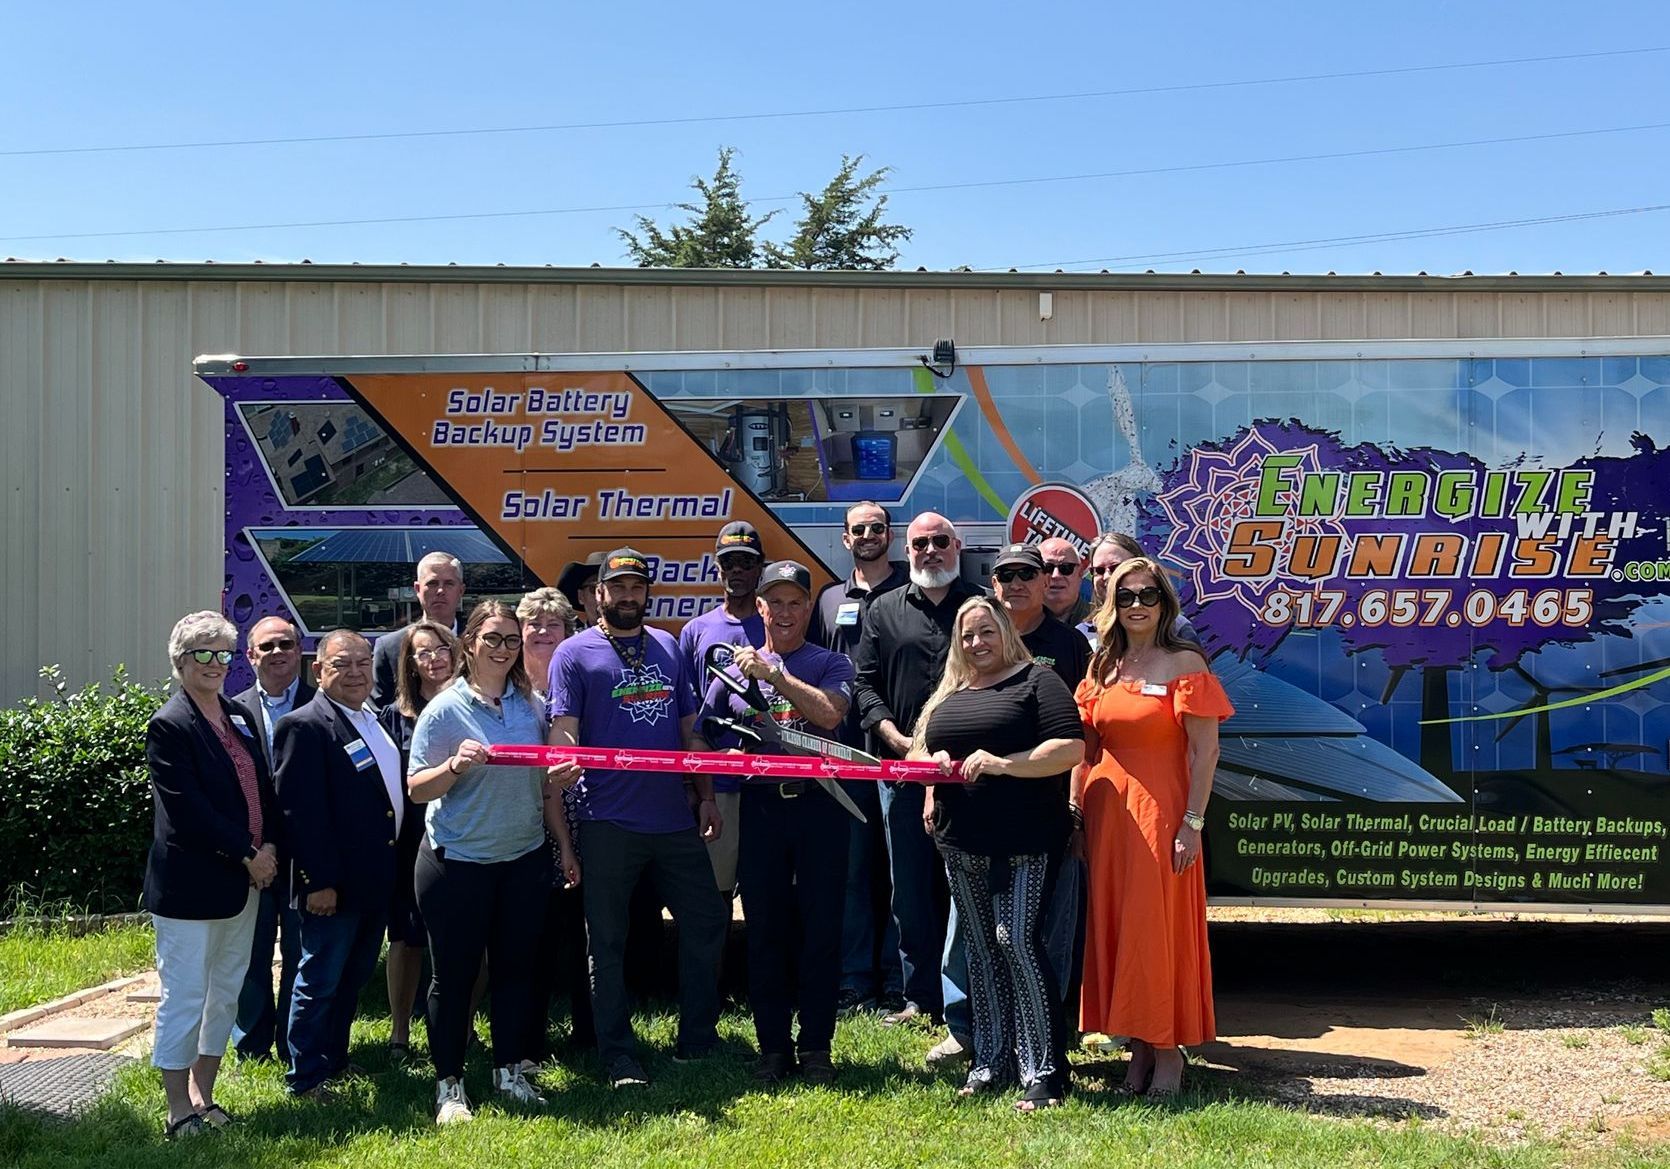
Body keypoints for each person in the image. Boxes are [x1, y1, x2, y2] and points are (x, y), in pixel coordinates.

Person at [546, 547, 728, 1089]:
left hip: (672, 817)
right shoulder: (573, 653)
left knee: (707, 919)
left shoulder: (668, 646)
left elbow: (689, 728)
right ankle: (617, 1055)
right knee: (607, 939)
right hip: (607, 819)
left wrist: (706, 795)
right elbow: (564, 725)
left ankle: (697, 1039)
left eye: (637, 587)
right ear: (598, 594)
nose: (628, 596)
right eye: (618, 587)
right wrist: (563, 758)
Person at [409, 601, 578, 1123]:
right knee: (454, 979)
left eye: (510, 640)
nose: (503, 649)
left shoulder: (532, 706)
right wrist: (453, 766)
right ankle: (450, 1086)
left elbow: (542, 780)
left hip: (522, 859)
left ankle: (509, 1073)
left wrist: (560, 776)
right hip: (457, 862)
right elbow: (417, 789)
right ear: (470, 643)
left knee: (515, 973)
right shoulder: (445, 709)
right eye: (492, 639)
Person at [913, 597, 1082, 1111]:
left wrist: (1003, 763)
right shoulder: (951, 689)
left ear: (1005, 631)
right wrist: (934, 761)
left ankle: (1044, 1070)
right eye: (967, 635)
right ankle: (990, 1061)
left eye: (986, 631)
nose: (976, 642)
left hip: (1025, 841)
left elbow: (1070, 748)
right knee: (981, 949)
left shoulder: (1037, 681)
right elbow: (918, 750)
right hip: (961, 842)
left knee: (1017, 943)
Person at [1074, 557, 1232, 1097]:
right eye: (1126, 596)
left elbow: (1206, 752)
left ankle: (1168, 1053)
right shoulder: (1102, 665)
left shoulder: (1185, 661)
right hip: (1106, 814)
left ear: (1165, 602)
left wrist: (1193, 822)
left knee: (1154, 931)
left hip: (1161, 812)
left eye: (1148, 595)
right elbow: (1084, 749)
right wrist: (1076, 813)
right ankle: (1138, 1050)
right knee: (1119, 930)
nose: (1137, 605)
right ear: (1111, 605)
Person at [699, 560, 854, 1085]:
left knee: (820, 929)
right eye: (775, 603)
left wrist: (775, 677)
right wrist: (712, 775)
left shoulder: (831, 662)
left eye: (795, 603)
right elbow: (700, 733)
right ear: (760, 608)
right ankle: (772, 1048)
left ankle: (816, 1047)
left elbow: (830, 714)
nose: (785, 613)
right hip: (761, 808)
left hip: (821, 807)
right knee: (765, 929)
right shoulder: (734, 666)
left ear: (808, 609)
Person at [144, 612, 276, 1139]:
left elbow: (262, 788)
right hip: (191, 887)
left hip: (243, 883)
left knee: (224, 992)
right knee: (186, 996)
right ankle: (178, 1110)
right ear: (180, 661)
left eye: (223, 652)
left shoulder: (237, 714)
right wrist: (248, 853)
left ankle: (204, 1094)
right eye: (203, 652)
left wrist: (269, 846)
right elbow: (188, 810)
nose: (215, 663)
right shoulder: (169, 725)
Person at [852, 512, 982, 1034]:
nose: (931, 550)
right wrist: (900, 744)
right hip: (901, 774)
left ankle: (967, 998)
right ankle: (918, 996)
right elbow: (864, 687)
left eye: (940, 541)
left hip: (967, 775)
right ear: (906, 551)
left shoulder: (980, 608)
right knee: (908, 888)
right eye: (920, 542)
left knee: (965, 889)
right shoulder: (883, 610)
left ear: (958, 545)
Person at [274, 630, 402, 1100]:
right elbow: (299, 813)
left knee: (352, 977)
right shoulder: (304, 725)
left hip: (372, 881)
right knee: (319, 980)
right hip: (333, 885)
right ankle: (305, 1077)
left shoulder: (371, 718)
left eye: (362, 663)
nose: (354, 673)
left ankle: (335, 1060)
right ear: (318, 670)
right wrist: (318, 882)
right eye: (341, 664)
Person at [808, 501, 907, 1017]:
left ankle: (897, 979)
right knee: (849, 875)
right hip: (841, 758)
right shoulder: (828, 599)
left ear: (890, 535)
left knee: (897, 874)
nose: (868, 535)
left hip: (894, 755)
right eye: (858, 529)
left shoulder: (911, 591)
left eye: (876, 527)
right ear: (845, 539)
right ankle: (853, 980)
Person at [227, 616, 312, 1064]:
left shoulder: (323, 705)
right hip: (253, 855)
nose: (278, 652)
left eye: (286, 644)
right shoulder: (229, 711)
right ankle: (251, 1046)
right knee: (250, 954)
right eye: (267, 646)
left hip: (306, 855)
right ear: (250, 655)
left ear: (300, 651)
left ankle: (295, 1045)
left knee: (302, 954)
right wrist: (250, 848)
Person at [376, 619, 458, 1063]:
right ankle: (400, 1034)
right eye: (423, 652)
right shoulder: (393, 717)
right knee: (406, 938)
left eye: (441, 648)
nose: (434, 658)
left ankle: (460, 1027)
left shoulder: (472, 706)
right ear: (409, 663)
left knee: (466, 939)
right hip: (410, 841)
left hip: (466, 837)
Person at [518, 587, 594, 1055]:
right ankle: (530, 1038)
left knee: (584, 933)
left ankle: (588, 1032)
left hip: (583, 820)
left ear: (569, 631)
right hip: (526, 826)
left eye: (554, 624)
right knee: (533, 936)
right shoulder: (510, 690)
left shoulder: (580, 678)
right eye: (534, 623)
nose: (544, 632)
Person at [677, 520, 766, 902]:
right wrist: (698, 788)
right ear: (717, 568)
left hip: (769, 782)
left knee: (768, 893)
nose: (737, 571)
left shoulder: (777, 624)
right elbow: (687, 715)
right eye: (728, 562)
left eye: (746, 562)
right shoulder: (695, 631)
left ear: (760, 567)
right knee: (716, 895)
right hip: (717, 786)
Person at [372, 551, 465, 707]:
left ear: (461, 590)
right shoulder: (390, 648)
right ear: (417, 589)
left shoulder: (478, 642)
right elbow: (380, 711)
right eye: (432, 583)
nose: (440, 591)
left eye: (449, 583)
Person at [1080, 533, 1199, 650]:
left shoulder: (1176, 629)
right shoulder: (1082, 635)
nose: (1107, 576)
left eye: (1116, 567)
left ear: (1140, 566)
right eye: (1099, 570)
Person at [1039, 536, 1092, 628]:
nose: (1056, 575)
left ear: (1080, 572)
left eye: (1066, 568)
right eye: (1047, 568)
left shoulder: (1101, 621)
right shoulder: (1016, 621)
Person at [557, 551, 608, 628]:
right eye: (594, 589)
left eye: (614, 589)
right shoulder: (570, 637)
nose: (603, 597)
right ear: (581, 596)